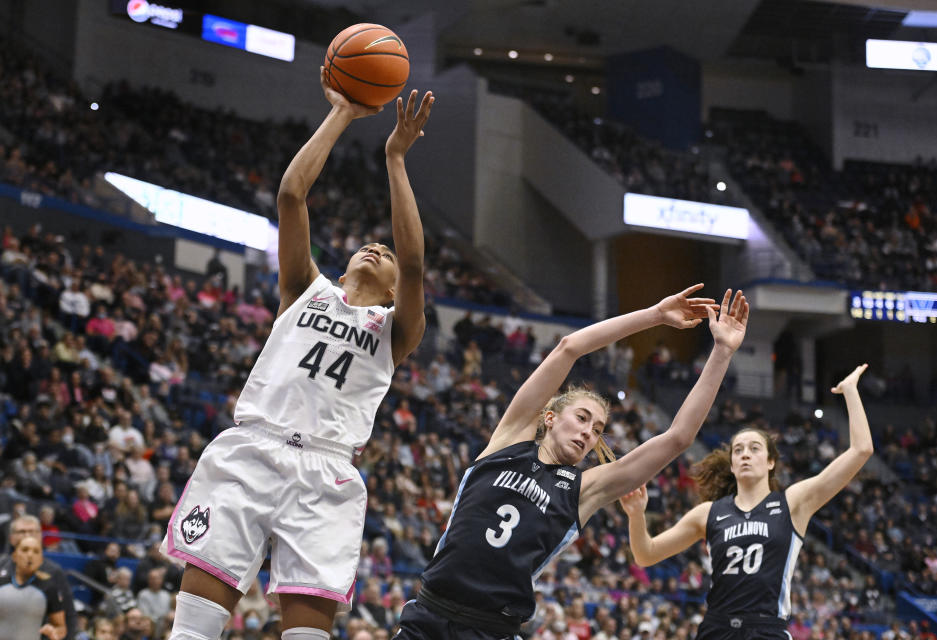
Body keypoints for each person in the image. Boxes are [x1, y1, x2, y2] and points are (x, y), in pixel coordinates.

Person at [163, 72, 435, 640]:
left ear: (391, 291)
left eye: (382, 251)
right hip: (252, 450)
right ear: (339, 269)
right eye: (368, 245)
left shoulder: (395, 328)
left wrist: (396, 160)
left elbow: (413, 263)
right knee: (192, 630)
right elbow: (291, 193)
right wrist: (342, 112)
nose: (376, 247)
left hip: (327, 473)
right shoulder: (304, 289)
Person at [395, 286, 749, 639]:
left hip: (492, 630)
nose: (587, 433)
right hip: (430, 614)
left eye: (597, 430)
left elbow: (679, 437)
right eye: (581, 418)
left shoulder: (584, 489)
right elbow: (570, 347)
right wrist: (654, 315)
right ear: (549, 417)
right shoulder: (509, 439)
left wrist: (721, 351)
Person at [620, 364, 873, 639]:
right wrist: (636, 516)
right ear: (731, 465)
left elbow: (861, 450)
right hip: (717, 628)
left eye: (754, 449)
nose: (745, 455)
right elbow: (646, 555)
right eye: (738, 450)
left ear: (771, 462)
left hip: (766, 629)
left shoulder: (793, 503)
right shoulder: (708, 513)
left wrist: (850, 391)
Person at [0, 514, 77, 639]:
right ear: (11, 538)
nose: (27, 535)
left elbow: (68, 616)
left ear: (40, 536)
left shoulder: (54, 572)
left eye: (32, 531)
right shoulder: (1, 565)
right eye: (22, 532)